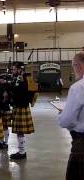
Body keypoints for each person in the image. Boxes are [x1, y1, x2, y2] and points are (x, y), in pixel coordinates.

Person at [58, 52, 84, 180]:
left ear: (78, 66)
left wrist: (62, 114)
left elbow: (67, 121)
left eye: (74, 67)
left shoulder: (78, 87)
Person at [10, 61, 35, 160]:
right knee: (19, 131)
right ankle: (21, 151)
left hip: (21, 106)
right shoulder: (20, 78)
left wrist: (13, 89)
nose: (13, 71)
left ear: (20, 69)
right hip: (19, 105)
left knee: (20, 131)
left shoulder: (23, 78)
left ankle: (22, 152)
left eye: (14, 69)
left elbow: (22, 92)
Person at [0, 76, 12, 150]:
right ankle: (1, 142)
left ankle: (5, 143)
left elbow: (6, 98)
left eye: (1, 79)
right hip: (1, 109)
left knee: (5, 127)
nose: (0, 80)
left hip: (5, 109)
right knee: (1, 127)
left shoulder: (6, 87)